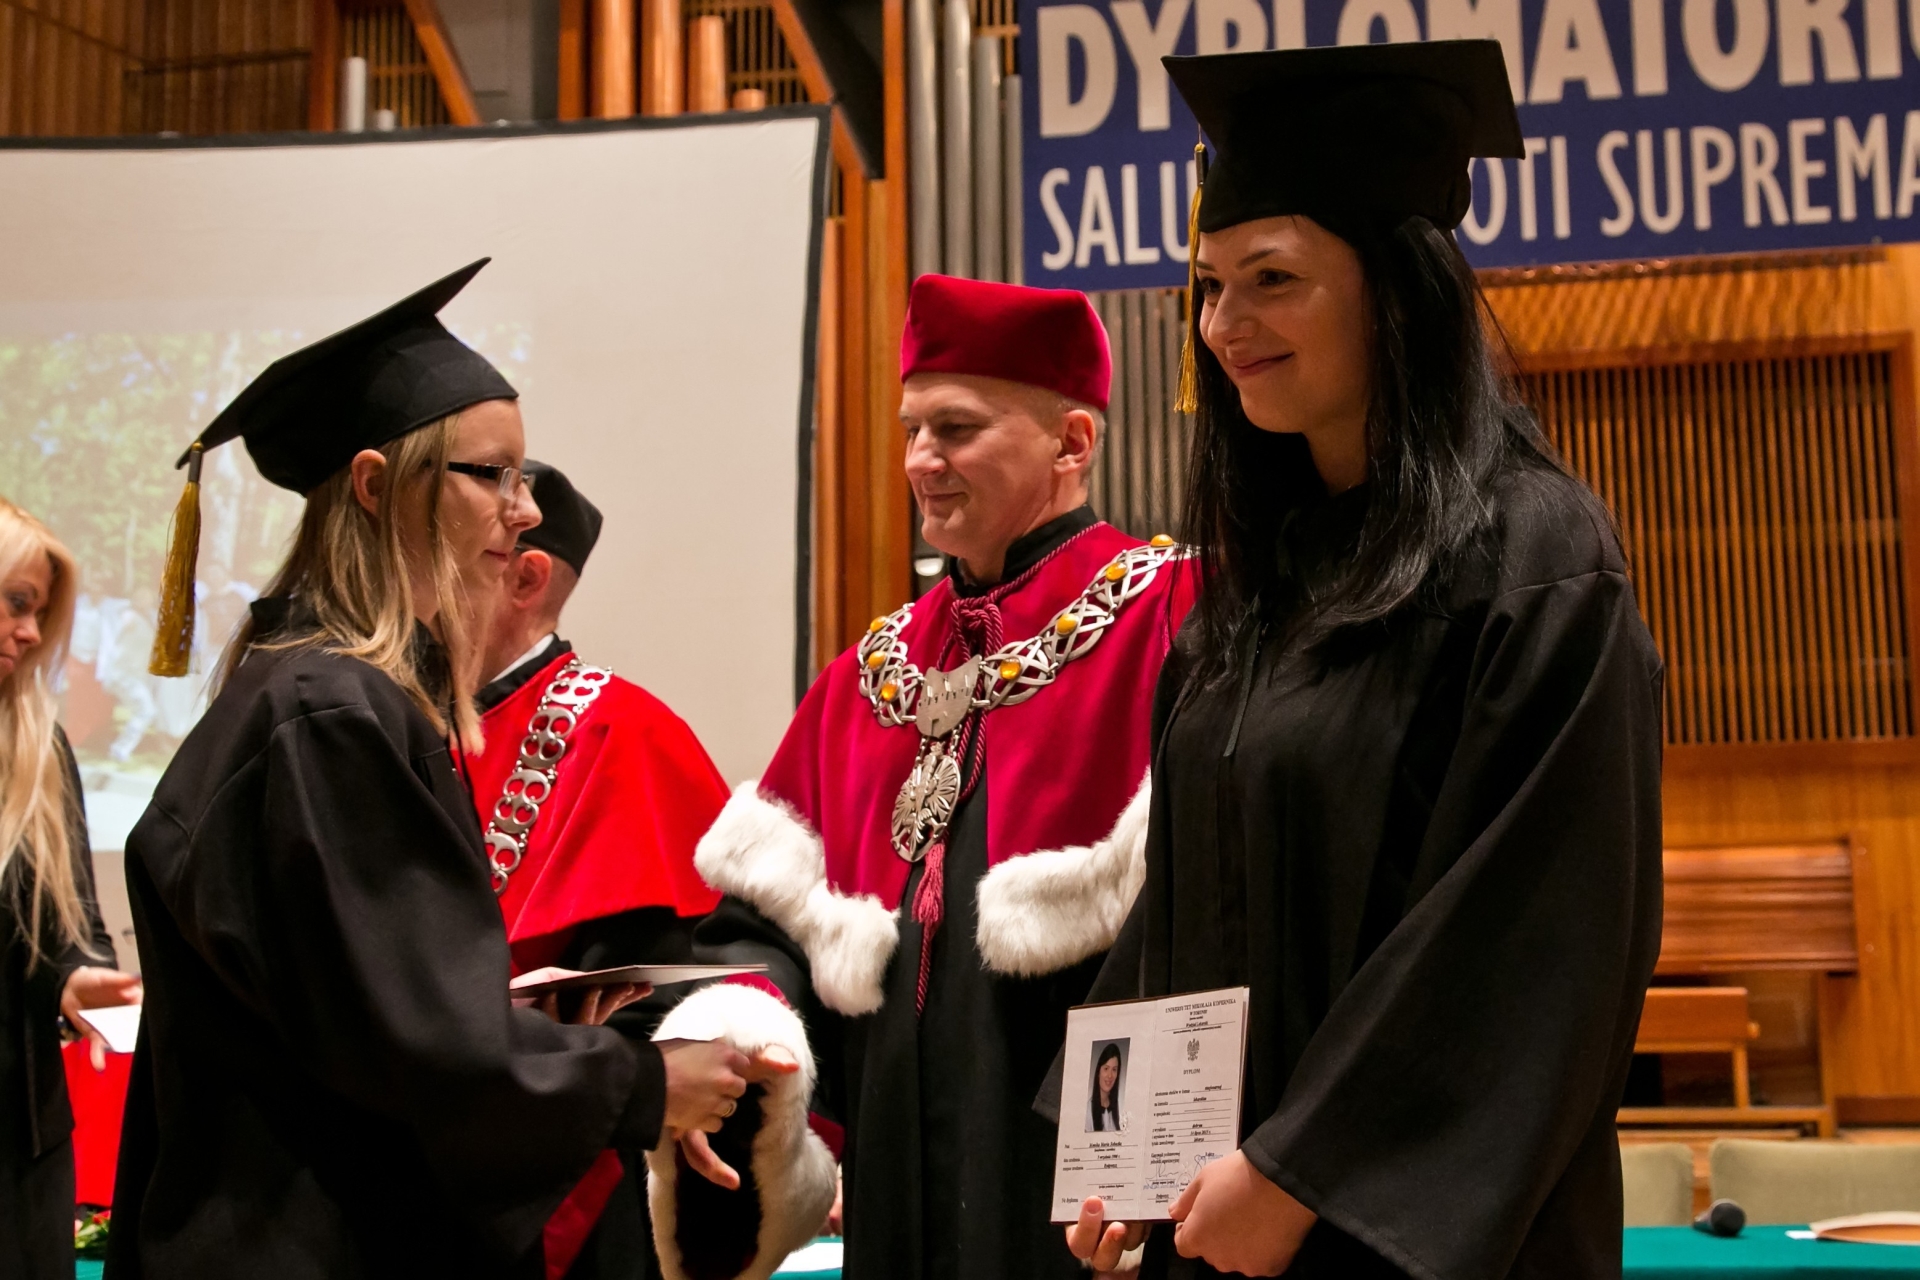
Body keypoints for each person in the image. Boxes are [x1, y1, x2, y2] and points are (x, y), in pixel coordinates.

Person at [1065, 41, 1665, 1280]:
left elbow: (1529, 931)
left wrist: (1305, 1170)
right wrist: (1117, 1152)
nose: (1226, 325)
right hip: (1223, 1224)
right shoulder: (1258, 592)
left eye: (1273, 278)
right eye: (1210, 285)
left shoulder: (1536, 559)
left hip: (1415, 1238)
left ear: (1396, 291)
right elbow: (1187, 895)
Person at [105, 260, 774, 1280]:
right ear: (378, 485)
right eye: (493, 474)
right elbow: (420, 1041)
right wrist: (644, 1081)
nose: (526, 510)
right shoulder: (329, 710)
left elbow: (354, 1009)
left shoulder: (317, 689)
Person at [653, 273, 1194, 1280]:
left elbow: (1213, 925)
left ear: (1073, 442)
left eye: (956, 428)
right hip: (897, 1202)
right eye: (911, 430)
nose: (919, 460)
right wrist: (739, 1036)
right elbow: (760, 930)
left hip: (1088, 1194)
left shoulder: (1174, 619)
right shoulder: (868, 675)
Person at [470, 459, 729, 1280]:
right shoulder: (389, 720)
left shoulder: (626, 730)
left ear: (526, 576)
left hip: (578, 1154)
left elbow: (670, 980)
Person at [0, 498, 142, 1280]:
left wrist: (77, 977)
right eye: (15, 602)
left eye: (38, 612)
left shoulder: (38, 748)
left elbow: (70, 925)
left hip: (17, 1145)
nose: (30, 632)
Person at [1089, 1043, 1122, 1133]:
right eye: (1106, 1069)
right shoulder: (1087, 1111)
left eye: (1114, 1070)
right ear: (1098, 1072)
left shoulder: (1120, 1110)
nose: (1110, 1075)